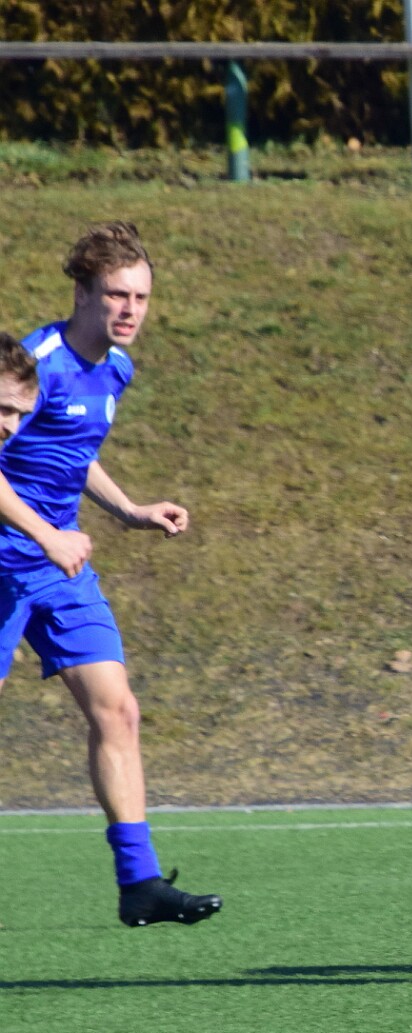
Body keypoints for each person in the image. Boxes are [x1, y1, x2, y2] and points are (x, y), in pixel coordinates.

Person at [0, 222, 222, 927]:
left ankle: (140, 881)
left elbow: (73, 451)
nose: (130, 309)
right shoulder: (35, 363)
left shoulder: (115, 370)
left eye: (141, 297)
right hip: (10, 561)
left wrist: (128, 509)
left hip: (60, 570)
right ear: (82, 294)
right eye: (116, 294)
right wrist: (45, 534)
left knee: (118, 709)